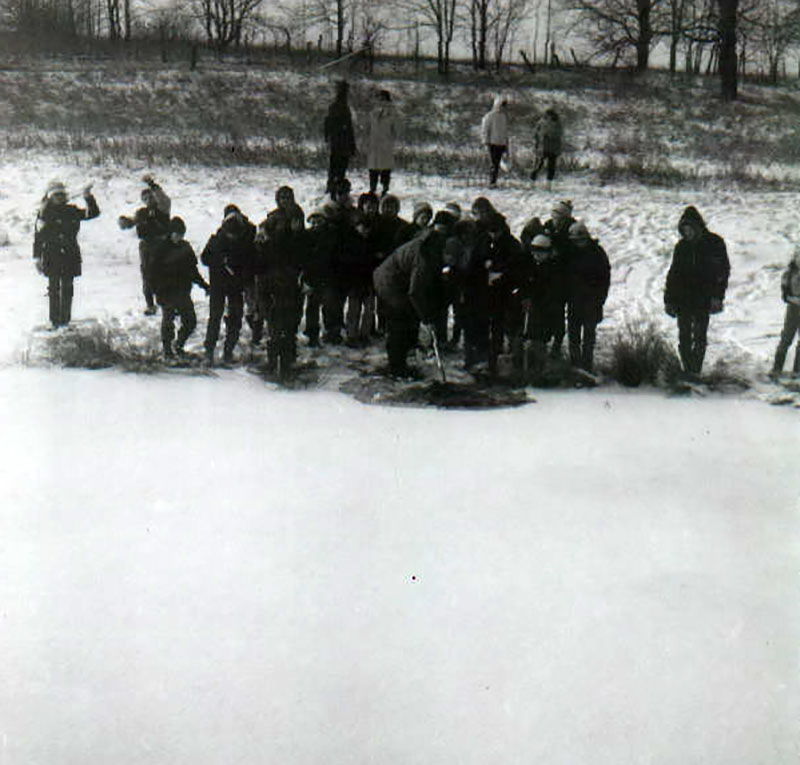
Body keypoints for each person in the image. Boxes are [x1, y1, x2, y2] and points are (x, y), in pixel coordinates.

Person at [373, 215, 450, 378]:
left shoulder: (434, 248)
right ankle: (396, 367)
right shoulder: (425, 258)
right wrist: (427, 318)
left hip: (402, 281)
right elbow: (416, 292)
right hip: (389, 282)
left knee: (410, 317)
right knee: (400, 320)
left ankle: (406, 358)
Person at [664, 206, 730, 378]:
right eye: (684, 230)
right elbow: (673, 274)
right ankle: (688, 371)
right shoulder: (681, 247)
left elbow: (723, 272)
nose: (687, 233)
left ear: (697, 226)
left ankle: (696, 371)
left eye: (689, 229)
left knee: (700, 337)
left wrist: (718, 296)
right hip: (683, 299)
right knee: (684, 337)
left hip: (703, 298)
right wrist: (668, 300)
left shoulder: (715, 243)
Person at [33, 180, 100, 329]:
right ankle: (55, 320)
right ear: (50, 197)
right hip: (52, 254)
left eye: (62, 195)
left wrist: (87, 196)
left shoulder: (72, 210)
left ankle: (65, 320)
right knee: (53, 288)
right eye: (56, 195)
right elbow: (38, 237)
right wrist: (36, 257)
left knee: (68, 288)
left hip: (70, 253)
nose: (60, 198)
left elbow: (93, 213)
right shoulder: (44, 213)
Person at [255, 186, 306, 377]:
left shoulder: (297, 216)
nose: (285, 201)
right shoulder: (274, 218)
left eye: (288, 197)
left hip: (290, 274)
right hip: (272, 274)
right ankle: (274, 361)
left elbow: (298, 245)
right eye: (282, 198)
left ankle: (288, 360)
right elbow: (263, 236)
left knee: (290, 318)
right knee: (275, 320)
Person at [200, 204, 256, 365]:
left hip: (236, 286)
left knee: (235, 319)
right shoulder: (216, 239)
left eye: (235, 234)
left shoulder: (246, 242)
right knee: (215, 318)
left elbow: (251, 264)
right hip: (218, 284)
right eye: (229, 234)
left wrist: (242, 274)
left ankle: (228, 351)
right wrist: (221, 261)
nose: (232, 237)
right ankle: (209, 351)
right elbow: (204, 258)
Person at [150, 217, 209, 359]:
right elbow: (152, 273)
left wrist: (204, 286)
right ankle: (167, 351)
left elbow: (193, 271)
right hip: (167, 292)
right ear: (170, 233)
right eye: (176, 234)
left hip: (183, 291)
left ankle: (179, 344)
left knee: (190, 321)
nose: (179, 237)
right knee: (168, 323)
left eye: (181, 234)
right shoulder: (160, 249)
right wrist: (156, 292)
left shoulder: (186, 248)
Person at [118, 175, 171, 315]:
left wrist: (152, 184)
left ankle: (166, 302)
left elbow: (164, 198)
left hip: (162, 243)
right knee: (147, 275)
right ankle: (150, 304)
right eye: (146, 199)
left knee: (164, 273)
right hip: (146, 246)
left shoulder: (163, 209)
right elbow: (132, 223)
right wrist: (124, 222)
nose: (149, 200)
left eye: (151, 197)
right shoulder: (141, 213)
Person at [565, 221, 610, 373]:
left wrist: (599, 300)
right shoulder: (570, 253)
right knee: (573, 337)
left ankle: (586, 367)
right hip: (574, 301)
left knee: (588, 338)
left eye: (581, 239)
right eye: (575, 240)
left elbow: (605, 279)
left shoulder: (597, 253)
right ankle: (575, 367)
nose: (578, 243)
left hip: (592, 302)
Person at [541, 199, 576, 358]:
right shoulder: (548, 226)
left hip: (564, 278)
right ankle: (546, 339)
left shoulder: (572, 229)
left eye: (559, 216)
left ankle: (557, 342)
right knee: (546, 309)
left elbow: (572, 252)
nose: (556, 219)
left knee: (559, 312)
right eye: (554, 215)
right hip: (547, 275)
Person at [770, 247, 800, 378]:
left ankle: (797, 371)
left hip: (793, 303)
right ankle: (777, 369)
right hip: (793, 305)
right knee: (787, 336)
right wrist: (787, 294)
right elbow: (785, 287)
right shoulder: (790, 272)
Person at [324, 80, 357, 197]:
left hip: (337, 142)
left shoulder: (335, 106)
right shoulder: (343, 107)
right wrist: (352, 145)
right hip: (342, 143)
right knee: (339, 167)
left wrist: (327, 136)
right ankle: (335, 187)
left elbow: (327, 123)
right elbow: (348, 127)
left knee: (335, 166)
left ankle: (332, 186)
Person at [367, 89, 399, 197]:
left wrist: (390, 139)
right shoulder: (373, 113)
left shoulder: (392, 113)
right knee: (373, 168)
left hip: (385, 144)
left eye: (382, 98)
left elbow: (396, 129)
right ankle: (373, 188)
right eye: (378, 98)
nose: (380, 100)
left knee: (385, 169)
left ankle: (385, 188)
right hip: (374, 145)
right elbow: (369, 128)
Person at [480, 95, 510, 188]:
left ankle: (494, 181)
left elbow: (505, 131)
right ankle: (492, 182)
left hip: (501, 143)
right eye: (503, 105)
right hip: (492, 143)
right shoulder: (490, 116)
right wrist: (485, 141)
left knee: (497, 164)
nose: (504, 107)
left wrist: (506, 143)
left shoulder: (504, 117)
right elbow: (485, 129)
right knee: (494, 163)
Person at [530, 109, 563, 187]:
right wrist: (536, 143)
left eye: (548, 115)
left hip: (551, 148)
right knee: (538, 165)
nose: (547, 117)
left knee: (550, 166)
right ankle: (533, 181)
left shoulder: (557, 124)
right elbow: (535, 134)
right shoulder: (542, 122)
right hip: (543, 147)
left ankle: (548, 183)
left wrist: (548, 135)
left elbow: (559, 134)